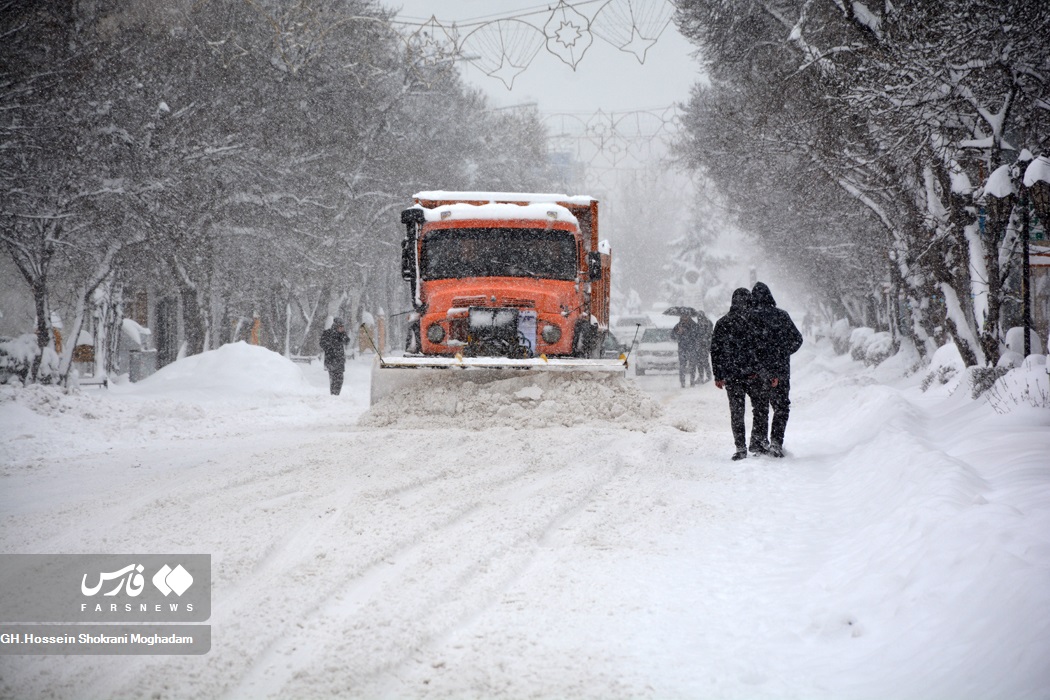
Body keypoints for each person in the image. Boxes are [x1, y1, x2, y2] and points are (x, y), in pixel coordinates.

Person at [710, 289, 769, 460]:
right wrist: (763, 370)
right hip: (753, 375)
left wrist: (719, 375)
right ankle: (756, 442)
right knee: (760, 408)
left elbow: (716, 350)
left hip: (732, 375)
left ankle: (740, 447)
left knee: (737, 411)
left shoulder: (722, 322)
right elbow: (764, 349)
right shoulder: (756, 321)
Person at [749, 282, 804, 457]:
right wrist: (783, 353)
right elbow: (797, 339)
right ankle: (776, 442)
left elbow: (743, 346)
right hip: (780, 370)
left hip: (756, 371)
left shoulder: (748, 318)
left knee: (760, 407)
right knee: (781, 407)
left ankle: (760, 441)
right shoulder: (781, 316)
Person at [320, 317, 351, 396]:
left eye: (342, 326)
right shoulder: (327, 333)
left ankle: (336, 395)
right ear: (335, 325)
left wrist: (343, 333)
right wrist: (331, 347)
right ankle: (333, 395)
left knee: (340, 379)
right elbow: (322, 344)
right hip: (331, 359)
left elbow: (347, 341)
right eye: (340, 326)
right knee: (333, 378)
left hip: (340, 360)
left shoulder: (341, 335)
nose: (342, 328)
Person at [670, 313, 701, 388]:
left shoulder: (694, 325)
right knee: (682, 366)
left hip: (692, 348)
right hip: (682, 348)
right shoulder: (678, 325)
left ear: (689, 317)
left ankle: (692, 381)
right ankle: (682, 382)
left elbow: (698, 335)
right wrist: (678, 332)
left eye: (686, 316)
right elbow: (672, 336)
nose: (684, 318)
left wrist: (689, 333)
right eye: (683, 316)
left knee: (693, 365)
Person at [694, 309, 714, 383]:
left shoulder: (708, 323)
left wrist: (703, 340)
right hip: (699, 345)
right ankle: (701, 376)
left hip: (705, 345)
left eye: (699, 316)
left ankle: (708, 376)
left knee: (704, 361)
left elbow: (709, 334)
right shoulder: (698, 324)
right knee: (699, 361)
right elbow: (696, 334)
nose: (698, 318)